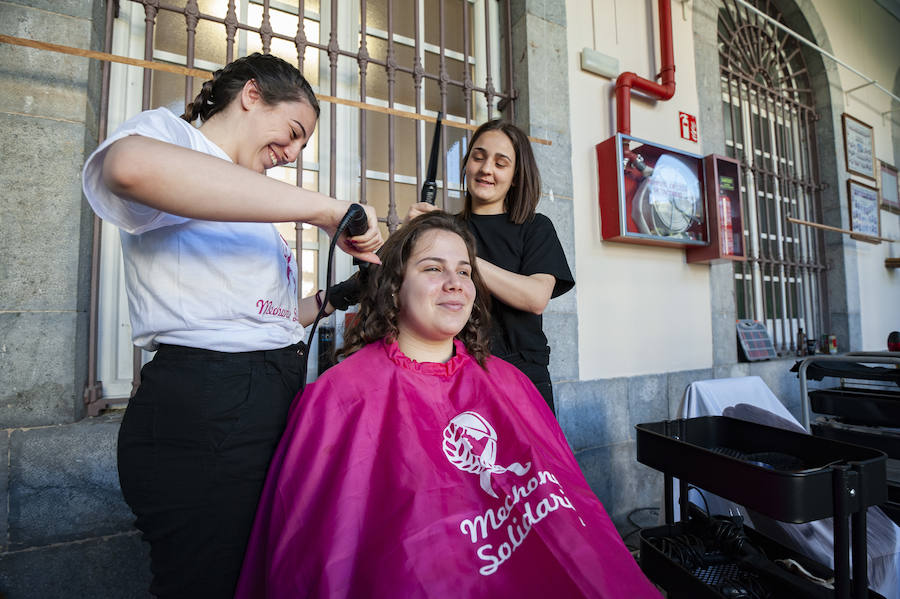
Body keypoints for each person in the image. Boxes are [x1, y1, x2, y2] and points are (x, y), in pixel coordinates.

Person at [235, 212, 660, 599]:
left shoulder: (509, 382)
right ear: (394, 284)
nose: (454, 282)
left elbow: (576, 521)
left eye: (463, 271)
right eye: (433, 269)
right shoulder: (340, 398)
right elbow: (311, 560)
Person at [81, 53, 382, 598]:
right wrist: (327, 211)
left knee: (251, 577)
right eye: (292, 134)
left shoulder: (248, 201)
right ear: (250, 94)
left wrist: (336, 298)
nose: (291, 155)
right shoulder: (172, 137)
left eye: (300, 148)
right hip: (209, 407)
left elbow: (258, 318)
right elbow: (126, 168)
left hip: (259, 401)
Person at [406, 119, 574, 412]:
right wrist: (411, 239)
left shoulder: (535, 227)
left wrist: (459, 250)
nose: (486, 169)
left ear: (516, 176)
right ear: (467, 164)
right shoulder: (448, 228)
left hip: (522, 375)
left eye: (501, 163)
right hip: (454, 372)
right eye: (478, 157)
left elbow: (536, 298)